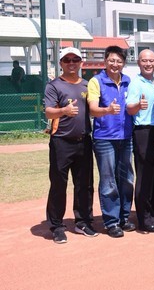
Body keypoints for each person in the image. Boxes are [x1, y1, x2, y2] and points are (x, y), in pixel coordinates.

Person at [44, 47, 96, 244]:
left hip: (84, 141)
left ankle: (83, 221)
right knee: (58, 184)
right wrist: (64, 110)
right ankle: (57, 226)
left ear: (81, 62)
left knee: (85, 184)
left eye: (75, 59)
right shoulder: (54, 85)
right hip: (61, 142)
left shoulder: (86, 85)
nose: (72, 63)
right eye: (67, 60)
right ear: (61, 63)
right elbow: (48, 112)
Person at [88, 45, 134, 238]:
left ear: (123, 63)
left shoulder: (128, 81)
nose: (115, 64)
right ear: (105, 61)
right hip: (104, 138)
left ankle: (124, 216)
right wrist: (107, 110)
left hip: (126, 137)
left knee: (127, 179)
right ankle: (111, 221)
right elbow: (92, 109)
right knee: (108, 181)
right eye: (112, 60)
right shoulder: (96, 81)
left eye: (119, 61)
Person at [125, 49, 154, 234]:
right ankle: (144, 219)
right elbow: (130, 109)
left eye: (151, 60)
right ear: (139, 63)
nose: (148, 64)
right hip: (143, 130)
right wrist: (138, 105)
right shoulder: (136, 83)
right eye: (144, 61)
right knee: (145, 175)